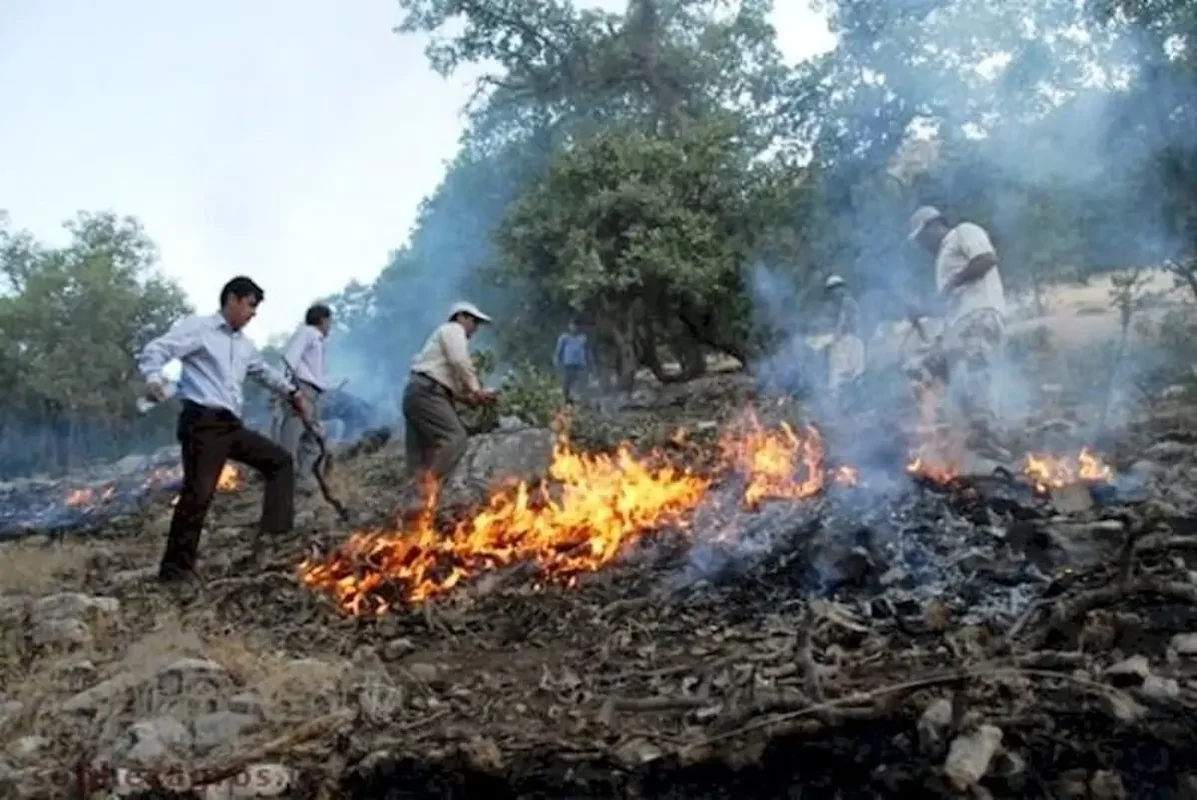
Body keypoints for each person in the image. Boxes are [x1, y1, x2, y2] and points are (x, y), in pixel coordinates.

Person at [138, 276, 311, 585]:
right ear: (232, 299)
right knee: (198, 494)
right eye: (249, 305)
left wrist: (293, 394)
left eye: (255, 308)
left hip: (231, 425)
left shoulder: (243, 345)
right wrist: (153, 377)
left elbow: (263, 372)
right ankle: (175, 573)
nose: (252, 313)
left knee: (280, 462)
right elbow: (157, 348)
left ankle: (274, 540)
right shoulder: (200, 329)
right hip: (202, 423)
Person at [907, 205, 1010, 460]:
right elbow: (947, 302)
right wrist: (921, 311)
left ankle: (985, 436)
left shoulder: (964, 232)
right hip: (960, 324)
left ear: (933, 226)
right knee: (935, 371)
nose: (922, 246)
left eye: (922, 238)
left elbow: (986, 259)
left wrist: (953, 282)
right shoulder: (943, 258)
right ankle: (963, 437)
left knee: (976, 375)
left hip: (978, 315)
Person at [402, 301, 498, 487]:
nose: (476, 328)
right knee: (455, 439)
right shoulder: (453, 329)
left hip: (416, 393)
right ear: (461, 317)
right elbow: (460, 362)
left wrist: (471, 398)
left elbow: (447, 381)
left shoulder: (440, 339)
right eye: (474, 321)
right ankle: (427, 490)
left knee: (420, 456)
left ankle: (412, 505)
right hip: (427, 393)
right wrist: (476, 389)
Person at [275, 304, 332, 491]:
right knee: (292, 433)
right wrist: (290, 389)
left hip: (314, 392)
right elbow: (289, 360)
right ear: (322, 320)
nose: (330, 326)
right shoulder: (307, 333)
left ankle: (302, 479)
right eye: (329, 321)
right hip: (302, 388)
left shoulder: (319, 340)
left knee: (314, 437)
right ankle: (283, 478)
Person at [822, 275, 865, 399]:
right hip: (853, 341)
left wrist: (833, 340)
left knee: (838, 377)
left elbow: (841, 323)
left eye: (835, 288)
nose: (834, 292)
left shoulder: (845, 302)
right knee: (853, 377)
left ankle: (839, 405)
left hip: (847, 342)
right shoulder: (847, 302)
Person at [553, 320, 591, 403]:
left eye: (576, 326)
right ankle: (566, 400)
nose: (574, 328)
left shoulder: (582, 338)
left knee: (580, 385)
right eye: (572, 325)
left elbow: (587, 352)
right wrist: (557, 361)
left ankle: (580, 402)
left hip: (580, 365)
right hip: (568, 365)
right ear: (569, 326)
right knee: (567, 383)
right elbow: (558, 351)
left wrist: (590, 364)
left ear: (578, 327)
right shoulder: (564, 338)